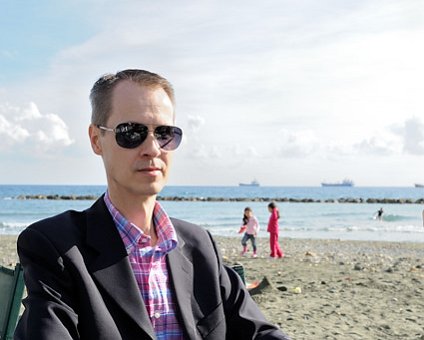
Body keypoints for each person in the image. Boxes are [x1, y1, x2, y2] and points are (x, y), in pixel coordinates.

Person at [14, 69, 289, 339]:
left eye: (164, 133)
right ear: (97, 139)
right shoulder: (56, 248)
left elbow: (258, 331)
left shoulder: (199, 245)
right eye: (131, 132)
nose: (153, 148)